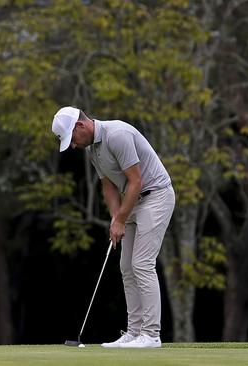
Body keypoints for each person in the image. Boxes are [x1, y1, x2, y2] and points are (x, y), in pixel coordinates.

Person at [52, 106, 175, 348]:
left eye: (72, 139)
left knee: (142, 263)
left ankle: (151, 335)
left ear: (81, 126)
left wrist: (121, 219)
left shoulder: (116, 134)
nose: (74, 145)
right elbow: (108, 186)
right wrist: (114, 217)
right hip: (133, 200)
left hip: (156, 196)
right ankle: (134, 331)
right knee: (126, 266)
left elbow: (136, 180)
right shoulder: (93, 151)